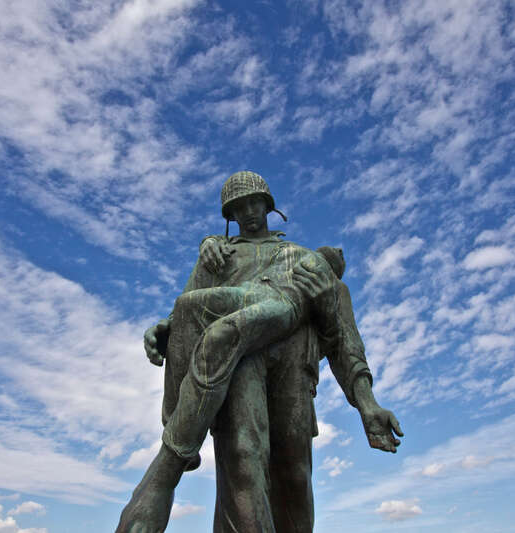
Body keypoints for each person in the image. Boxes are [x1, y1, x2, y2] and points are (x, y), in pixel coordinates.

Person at [116, 171, 402, 533]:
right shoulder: (219, 255)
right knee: (243, 462)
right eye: (238, 207)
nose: (248, 212)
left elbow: (345, 338)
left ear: (268, 206)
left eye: (254, 202)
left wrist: (367, 403)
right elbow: (186, 311)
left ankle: (173, 456)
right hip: (237, 364)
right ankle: (174, 445)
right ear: (230, 216)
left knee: (294, 476)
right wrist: (165, 328)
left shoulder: (304, 258)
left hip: (294, 369)